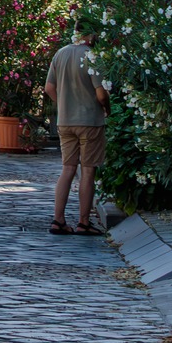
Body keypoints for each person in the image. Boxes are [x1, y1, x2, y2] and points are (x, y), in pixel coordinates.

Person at [45, 26, 109, 235]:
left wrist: (63, 104)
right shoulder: (92, 56)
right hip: (90, 121)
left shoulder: (60, 53)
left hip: (65, 121)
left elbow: (49, 88)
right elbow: (101, 93)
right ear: (91, 34)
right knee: (88, 170)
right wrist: (106, 108)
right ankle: (83, 222)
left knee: (68, 168)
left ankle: (58, 220)